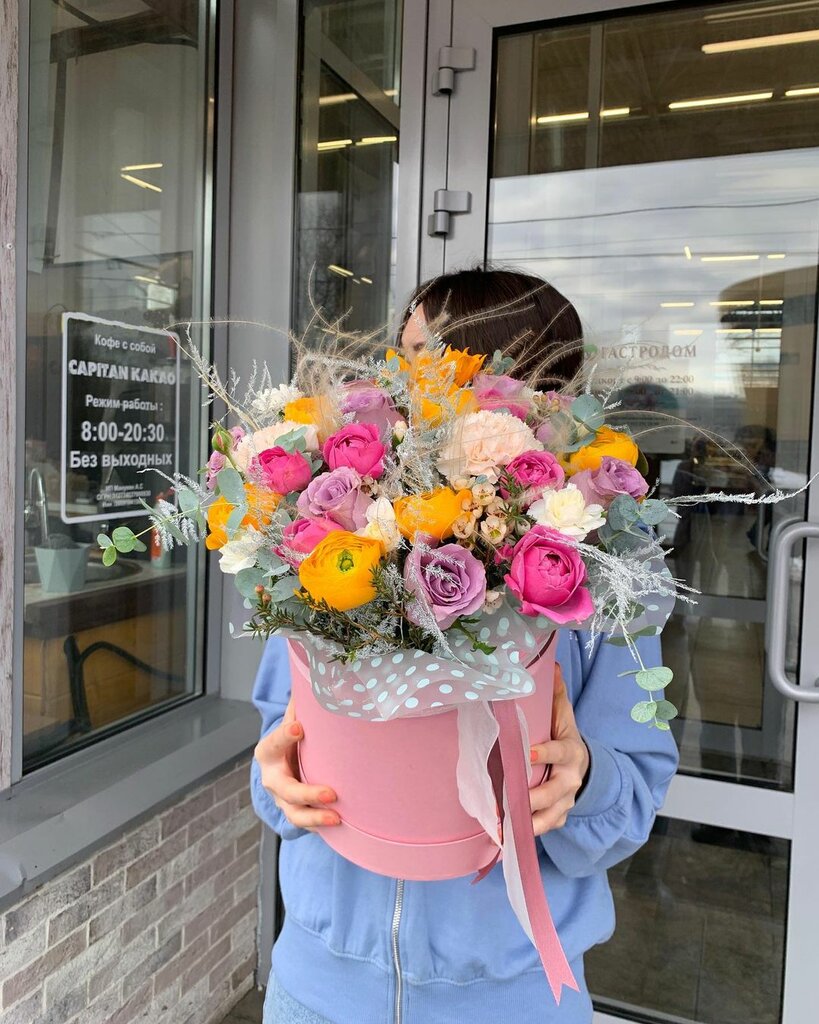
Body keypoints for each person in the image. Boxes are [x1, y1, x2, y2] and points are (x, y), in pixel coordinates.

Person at [251, 268, 679, 1023]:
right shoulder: (331, 544)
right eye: (404, 355)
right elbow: (280, 738)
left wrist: (580, 778)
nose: (406, 381)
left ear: (528, 391)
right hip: (315, 984)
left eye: (437, 360)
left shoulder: (606, 565)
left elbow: (632, 793)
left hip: (508, 996)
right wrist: (277, 778)